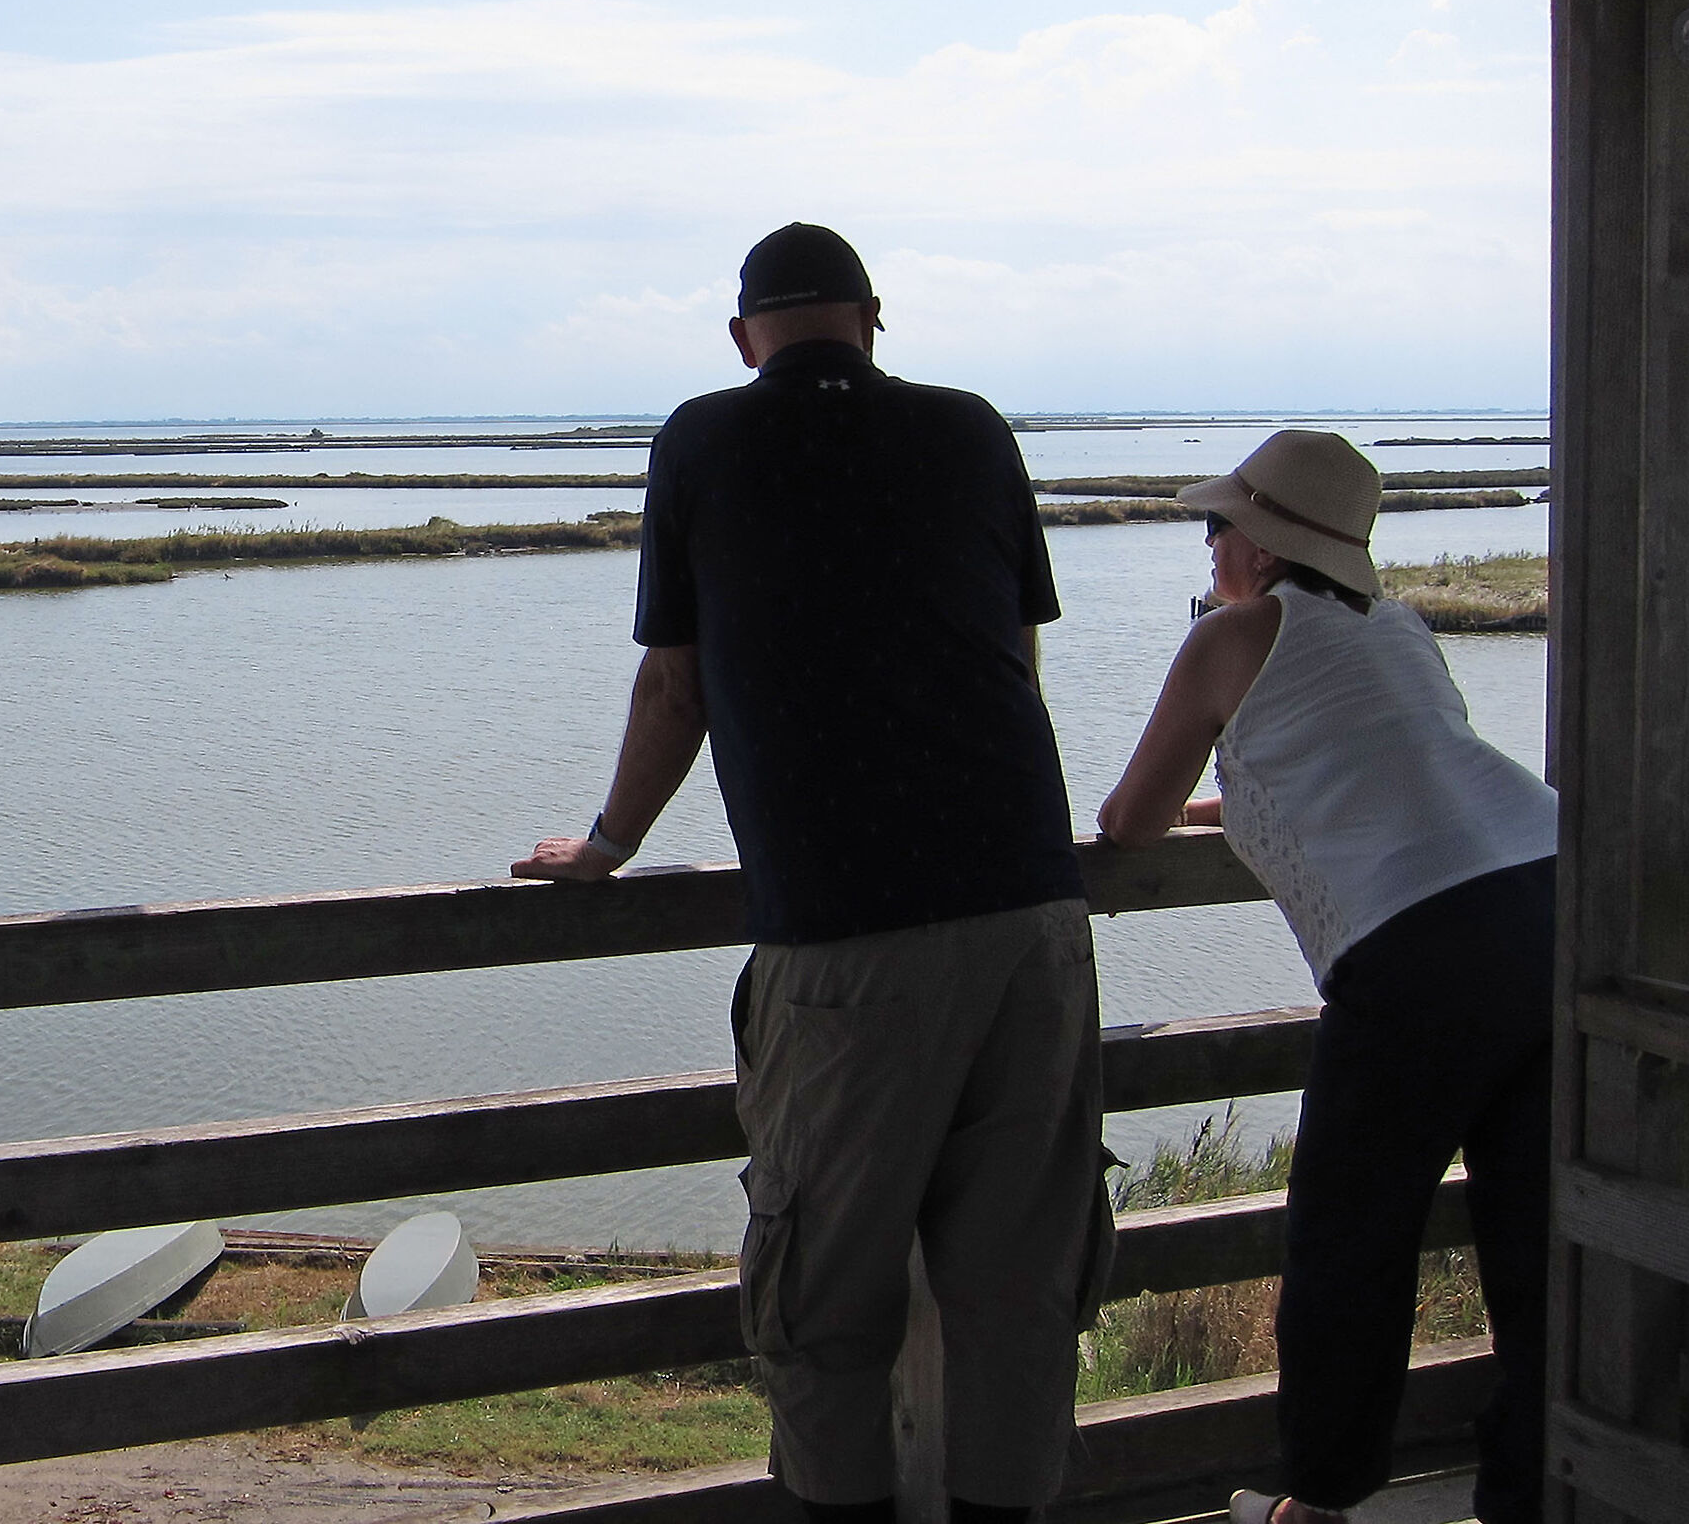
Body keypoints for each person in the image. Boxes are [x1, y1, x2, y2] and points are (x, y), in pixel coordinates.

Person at [514, 223, 1106, 1524]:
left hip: (850, 942)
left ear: (744, 338)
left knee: (823, 1303)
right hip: (1036, 916)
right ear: (872, 318)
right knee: (1016, 1300)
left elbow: (677, 682)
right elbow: (1015, 662)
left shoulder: (704, 440)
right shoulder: (973, 431)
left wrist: (607, 846)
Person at [1097, 429, 1555, 1524]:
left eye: (1218, 526)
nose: (1208, 546)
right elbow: (1368, 762)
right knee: (1537, 1232)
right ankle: (1531, 1491)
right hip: (1545, 895)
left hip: (1417, 948)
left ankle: (1323, 1500)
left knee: (1349, 1236)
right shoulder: (1398, 628)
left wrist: (1201, 785)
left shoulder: (1228, 639)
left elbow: (1128, 820)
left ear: (1256, 544)